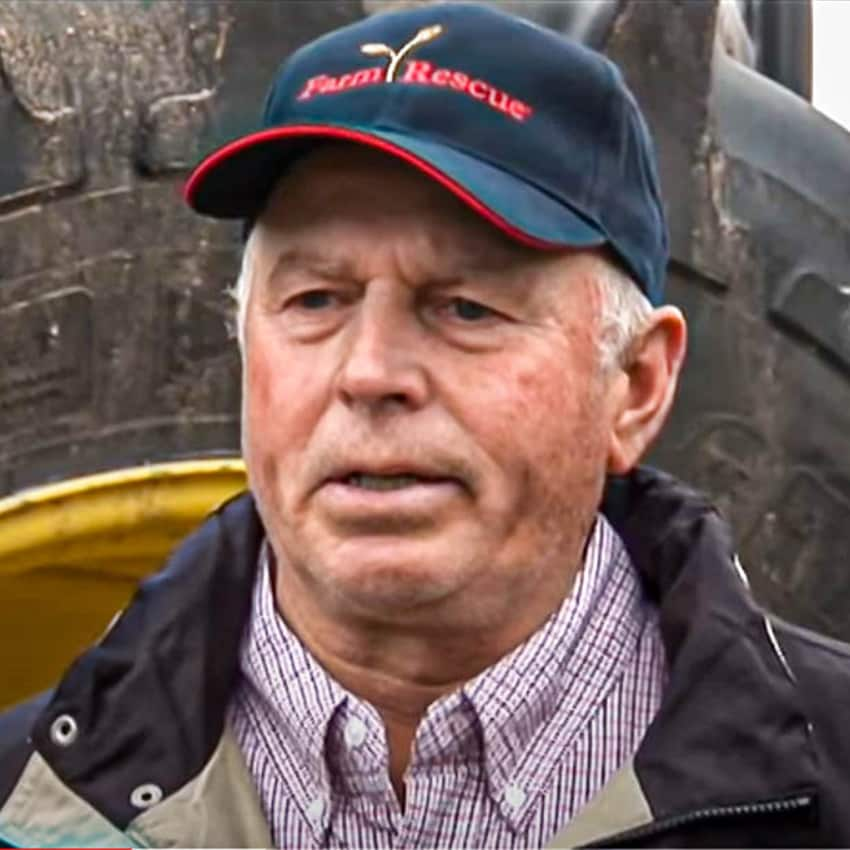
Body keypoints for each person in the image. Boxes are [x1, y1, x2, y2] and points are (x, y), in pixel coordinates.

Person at [1, 3, 849, 848]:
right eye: (315, 301)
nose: (369, 372)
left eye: (465, 308)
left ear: (634, 384)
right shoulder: (25, 802)